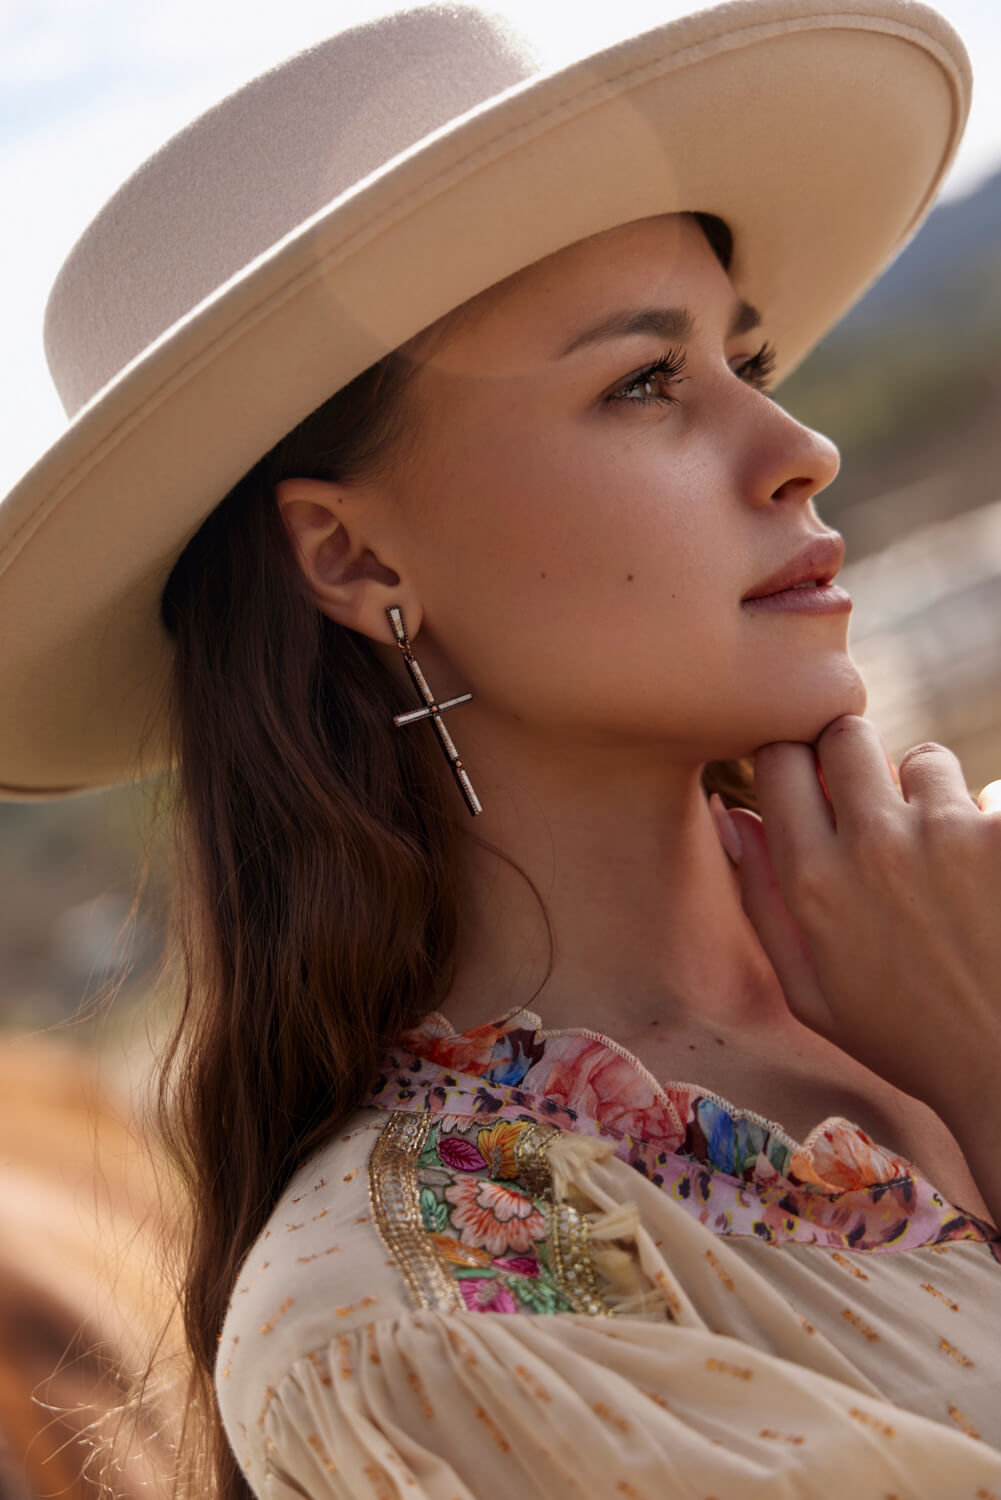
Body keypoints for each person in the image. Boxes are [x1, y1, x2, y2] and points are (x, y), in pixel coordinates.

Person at [1, 1, 999, 1497]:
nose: (801, 446)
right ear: (349, 556)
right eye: (643, 383)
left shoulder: (957, 923)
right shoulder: (420, 1317)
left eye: (747, 358)